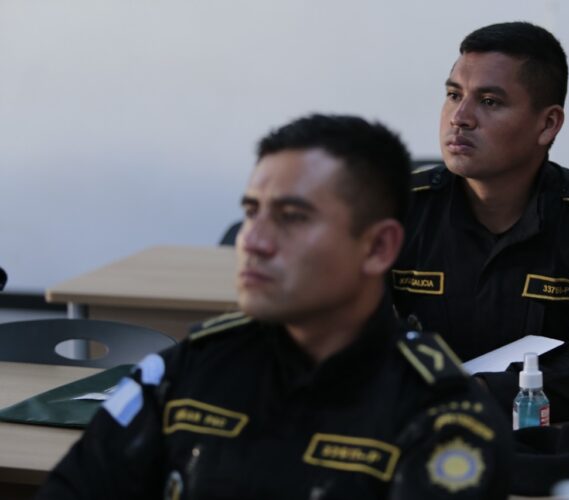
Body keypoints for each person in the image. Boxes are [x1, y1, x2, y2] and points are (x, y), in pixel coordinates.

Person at [37, 114, 513, 499]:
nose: (253, 241)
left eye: (291, 217)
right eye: (251, 212)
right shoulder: (183, 373)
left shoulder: (440, 416)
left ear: (377, 247)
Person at [391, 22, 569, 422]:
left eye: (490, 101)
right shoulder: (399, 207)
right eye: (453, 95)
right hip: (417, 430)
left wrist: (478, 395)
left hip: (549, 433)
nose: (460, 118)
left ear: (547, 124)